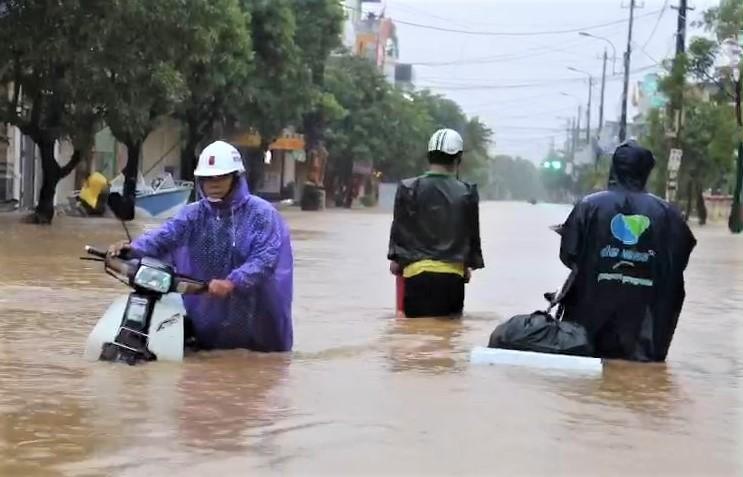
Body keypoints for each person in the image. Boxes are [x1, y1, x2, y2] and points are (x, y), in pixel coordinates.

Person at [108, 140, 293, 352]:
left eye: (220, 177)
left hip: (256, 314)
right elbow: (164, 236)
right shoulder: (193, 214)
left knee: (255, 363)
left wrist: (233, 282)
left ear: (236, 178)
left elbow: (265, 259)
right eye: (207, 178)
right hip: (208, 310)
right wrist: (131, 249)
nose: (213, 184)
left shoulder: (261, 214)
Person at [557, 140, 696, 362]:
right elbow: (679, 259)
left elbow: (568, 255)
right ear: (647, 171)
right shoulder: (667, 214)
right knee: (642, 378)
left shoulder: (588, 206)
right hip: (644, 333)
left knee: (588, 375)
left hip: (589, 325)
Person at [387, 128, 485, 318]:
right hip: (453, 278)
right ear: (458, 159)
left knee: (413, 338)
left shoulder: (408, 188)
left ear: (429, 156)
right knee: (449, 337)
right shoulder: (467, 192)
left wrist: (396, 262)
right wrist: (467, 266)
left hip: (416, 276)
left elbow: (400, 231)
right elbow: (472, 237)